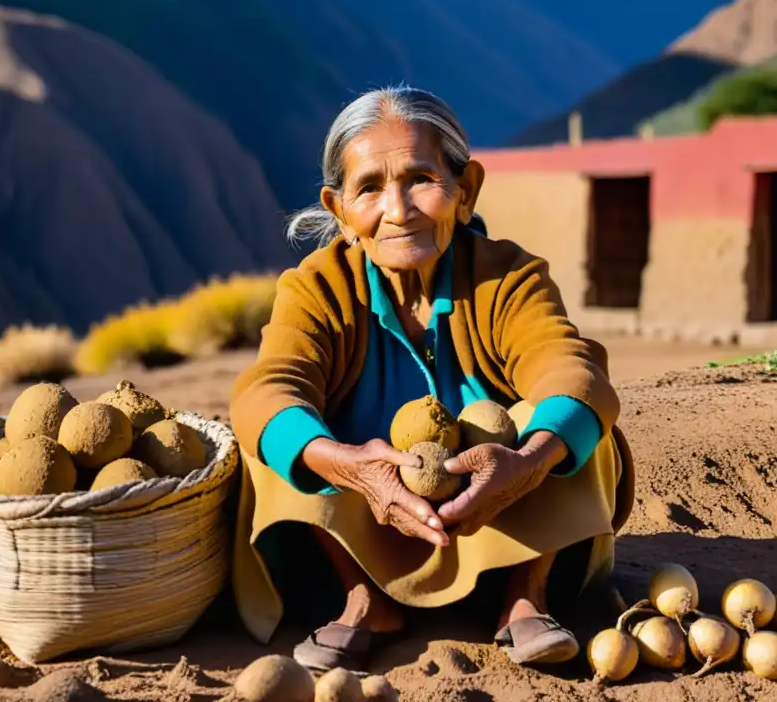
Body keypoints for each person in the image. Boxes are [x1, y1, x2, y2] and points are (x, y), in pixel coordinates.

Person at [228, 85, 635, 672]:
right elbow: (270, 387)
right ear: (339, 210)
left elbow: (573, 372)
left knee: (565, 420)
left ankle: (526, 596)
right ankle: (362, 598)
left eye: (420, 179)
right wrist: (347, 465)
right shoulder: (316, 289)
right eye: (369, 188)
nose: (398, 209)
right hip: (363, 526)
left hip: (503, 521)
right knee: (280, 431)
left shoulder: (508, 279)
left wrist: (527, 463)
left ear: (464, 191)